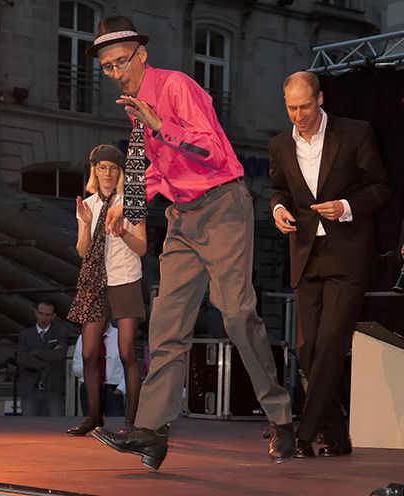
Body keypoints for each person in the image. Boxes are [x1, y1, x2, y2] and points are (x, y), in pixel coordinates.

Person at [87, 16, 295, 470]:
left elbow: (213, 152)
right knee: (167, 321)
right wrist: (128, 206)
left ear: (142, 54)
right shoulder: (134, 107)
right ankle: (152, 432)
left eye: (122, 61)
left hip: (222, 205)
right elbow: (159, 170)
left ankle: (281, 417)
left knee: (236, 314)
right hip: (182, 215)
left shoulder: (176, 87)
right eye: (107, 67)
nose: (117, 72)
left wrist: (160, 124)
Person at [269, 71, 390, 457]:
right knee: (307, 349)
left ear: (320, 99)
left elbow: (380, 187)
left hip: (347, 253)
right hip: (306, 253)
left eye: (305, 106)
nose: (299, 115)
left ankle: (304, 434)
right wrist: (278, 209)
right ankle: (336, 434)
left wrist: (347, 206)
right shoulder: (279, 144)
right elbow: (279, 190)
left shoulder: (355, 133)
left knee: (332, 342)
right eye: (292, 108)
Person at [66, 144, 145, 436]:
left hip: (125, 278)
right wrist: (87, 224)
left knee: (126, 352)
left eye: (113, 168)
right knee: (88, 352)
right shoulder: (88, 204)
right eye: (102, 168)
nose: (108, 173)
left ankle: (131, 422)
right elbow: (82, 250)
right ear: (95, 171)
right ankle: (94, 416)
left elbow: (142, 247)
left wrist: (123, 233)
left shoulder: (131, 202)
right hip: (95, 281)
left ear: (121, 172)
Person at [16, 298, 70, 416]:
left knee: (55, 424)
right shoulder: (25, 335)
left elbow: (60, 355)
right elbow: (22, 358)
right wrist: (48, 358)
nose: (43, 317)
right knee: (29, 425)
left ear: (53, 316)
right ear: (36, 313)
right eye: (41, 313)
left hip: (53, 388)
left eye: (47, 314)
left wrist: (34, 353)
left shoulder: (61, 333)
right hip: (30, 389)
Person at [70, 321, 126, 422]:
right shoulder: (84, 337)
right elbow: (76, 367)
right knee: (90, 422)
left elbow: (128, 365)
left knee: (115, 423)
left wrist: (120, 389)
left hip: (113, 389)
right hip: (89, 387)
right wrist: (89, 364)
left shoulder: (120, 335)